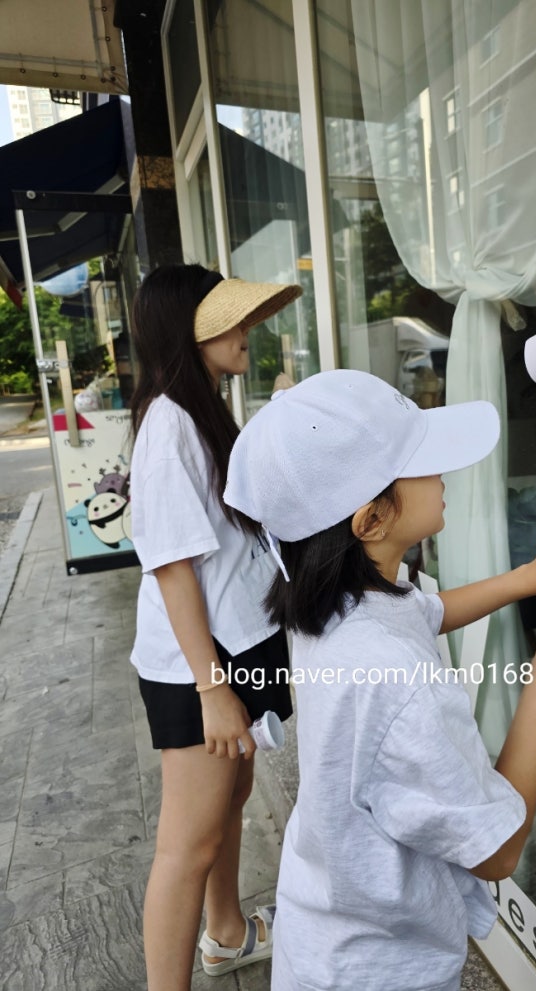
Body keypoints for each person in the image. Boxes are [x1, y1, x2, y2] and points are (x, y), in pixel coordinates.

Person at [223, 369, 536, 991]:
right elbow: (498, 852)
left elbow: (427, 611)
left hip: (326, 937)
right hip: (381, 973)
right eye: (422, 462)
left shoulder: (333, 602)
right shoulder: (397, 677)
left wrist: (533, 576)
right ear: (371, 520)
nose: (443, 471)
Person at [128, 264, 302, 991]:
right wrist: (212, 688)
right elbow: (172, 567)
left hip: (236, 641)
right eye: (228, 318)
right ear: (188, 330)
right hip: (200, 662)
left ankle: (226, 933)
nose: (246, 330)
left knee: (231, 797)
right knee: (186, 845)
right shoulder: (169, 422)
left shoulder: (200, 410)